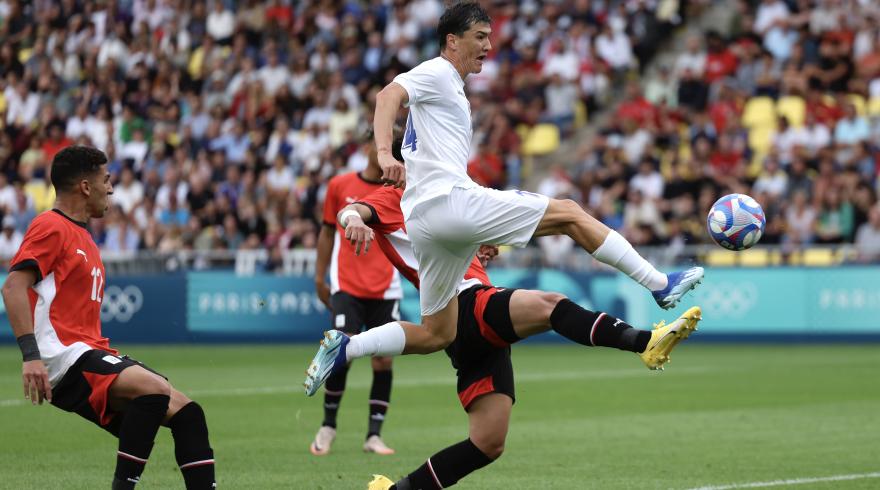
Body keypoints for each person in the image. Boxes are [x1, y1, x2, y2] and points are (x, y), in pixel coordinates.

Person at [304, 2, 703, 397]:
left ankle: (348, 346)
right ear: (452, 40)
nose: (488, 46)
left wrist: (472, 233)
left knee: (436, 332)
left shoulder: (451, 91)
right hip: (447, 204)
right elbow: (387, 96)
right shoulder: (438, 71)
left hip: (428, 221)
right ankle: (658, 283)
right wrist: (383, 153)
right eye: (479, 37)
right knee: (569, 214)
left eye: (490, 37)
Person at [328, 146, 701, 489]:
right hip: (467, 303)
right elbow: (355, 209)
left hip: (459, 329)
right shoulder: (395, 197)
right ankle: (644, 343)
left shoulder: (438, 200)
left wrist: (477, 244)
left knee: (487, 443)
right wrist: (352, 220)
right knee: (550, 305)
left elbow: (445, 239)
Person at [1, 146, 215, 490]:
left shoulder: (84, 235)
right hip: (61, 355)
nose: (111, 189)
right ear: (86, 186)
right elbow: (13, 286)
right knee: (154, 390)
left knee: (189, 414)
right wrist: (31, 358)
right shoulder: (50, 226)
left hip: (88, 351)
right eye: (106, 179)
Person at [310, 130, 402, 456]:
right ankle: (328, 427)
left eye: (393, 150)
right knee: (341, 351)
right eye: (382, 148)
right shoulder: (339, 186)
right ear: (368, 148)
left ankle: (373, 435)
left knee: (383, 361)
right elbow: (325, 233)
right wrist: (320, 276)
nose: (386, 155)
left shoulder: (400, 190)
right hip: (347, 283)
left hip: (386, 286)